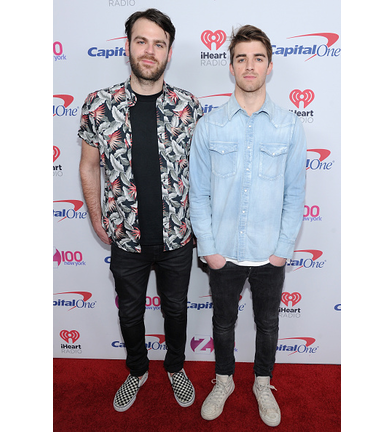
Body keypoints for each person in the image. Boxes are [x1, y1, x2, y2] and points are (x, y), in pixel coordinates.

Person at [78, 8, 203, 412]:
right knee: (130, 314)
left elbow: (204, 173)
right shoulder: (99, 105)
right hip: (125, 239)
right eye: (141, 41)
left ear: (168, 52)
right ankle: (136, 370)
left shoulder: (190, 107)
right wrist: (97, 217)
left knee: (176, 311)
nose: (149, 51)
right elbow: (87, 165)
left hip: (178, 238)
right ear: (128, 44)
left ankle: (175, 366)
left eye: (159, 44)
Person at [189, 25, 306, 427]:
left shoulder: (289, 125)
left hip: (269, 251)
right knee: (222, 322)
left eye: (257, 58)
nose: (249, 65)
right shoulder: (210, 125)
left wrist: (282, 249)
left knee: (268, 323)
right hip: (223, 250)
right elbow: (199, 193)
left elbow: (294, 194)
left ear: (269, 67)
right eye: (241, 58)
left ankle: (261, 381)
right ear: (231, 66)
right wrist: (208, 247)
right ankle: (223, 380)